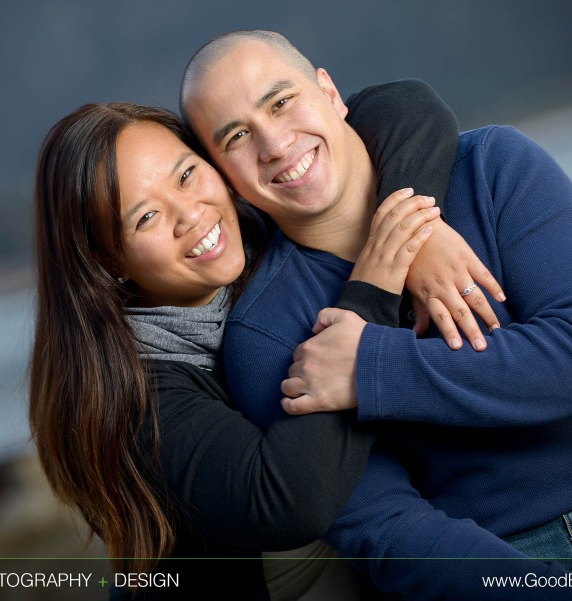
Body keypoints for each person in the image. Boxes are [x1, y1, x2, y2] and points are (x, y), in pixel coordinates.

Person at [179, 30, 572, 600]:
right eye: (236, 137)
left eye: (282, 102)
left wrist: (371, 370)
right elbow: (389, 531)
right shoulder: (264, 331)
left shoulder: (493, 168)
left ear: (329, 92)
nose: (275, 144)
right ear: (220, 174)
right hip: (495, 558)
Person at [28, 91, 496, 599]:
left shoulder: (265, 228)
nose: (190, 214)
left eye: (186, 175)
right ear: (107, 260)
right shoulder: (130, 396)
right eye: (145, 218)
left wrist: (415, 228)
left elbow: (403, 107)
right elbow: (288, 501)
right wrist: (371, 292)